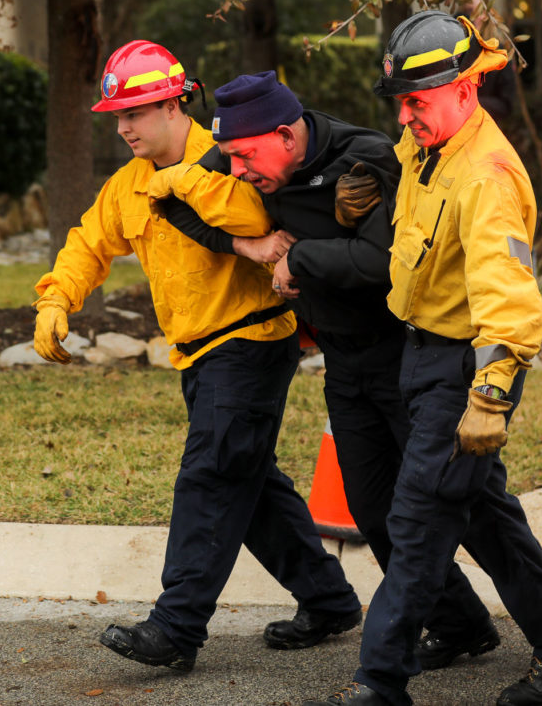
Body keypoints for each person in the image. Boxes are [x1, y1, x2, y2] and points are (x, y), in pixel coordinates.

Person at [31, 40, 363, 672]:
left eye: (137, 112)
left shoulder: (229, 161)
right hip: (198, 354)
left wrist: (180, 179)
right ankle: (329, 600)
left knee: (211, 474)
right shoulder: (128, 186)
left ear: (177, 103)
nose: (124, 127)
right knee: (252, 484)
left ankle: (176, 627)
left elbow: (246, 214)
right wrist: (56, 299)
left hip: (252, 340)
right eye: (118, 116)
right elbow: (87, 244)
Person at [152, 71, 501, 660]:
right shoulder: (241, 149)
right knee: (371, 506)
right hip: (343, 360)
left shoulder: (363, 156)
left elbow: (380, 263)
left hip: (405, 353)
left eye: (244, 158)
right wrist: (253, 248)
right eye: (229, 158)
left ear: (287, 136)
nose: (235, 172)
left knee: (466, 502)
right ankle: (462, 624)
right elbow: (165, 200)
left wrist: (300, 260)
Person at [304, 11, 542, 706]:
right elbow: (412, 235)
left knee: (418, 523)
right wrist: (358, 214)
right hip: (419, 356)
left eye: (418, 101)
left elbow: (510, 297)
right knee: (482, 517)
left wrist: (491, 394)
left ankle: (379, 682)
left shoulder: (487, 176)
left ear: (465, 89)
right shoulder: (427, 148)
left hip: (465, 372)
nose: (405, 117)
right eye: (400, 103)